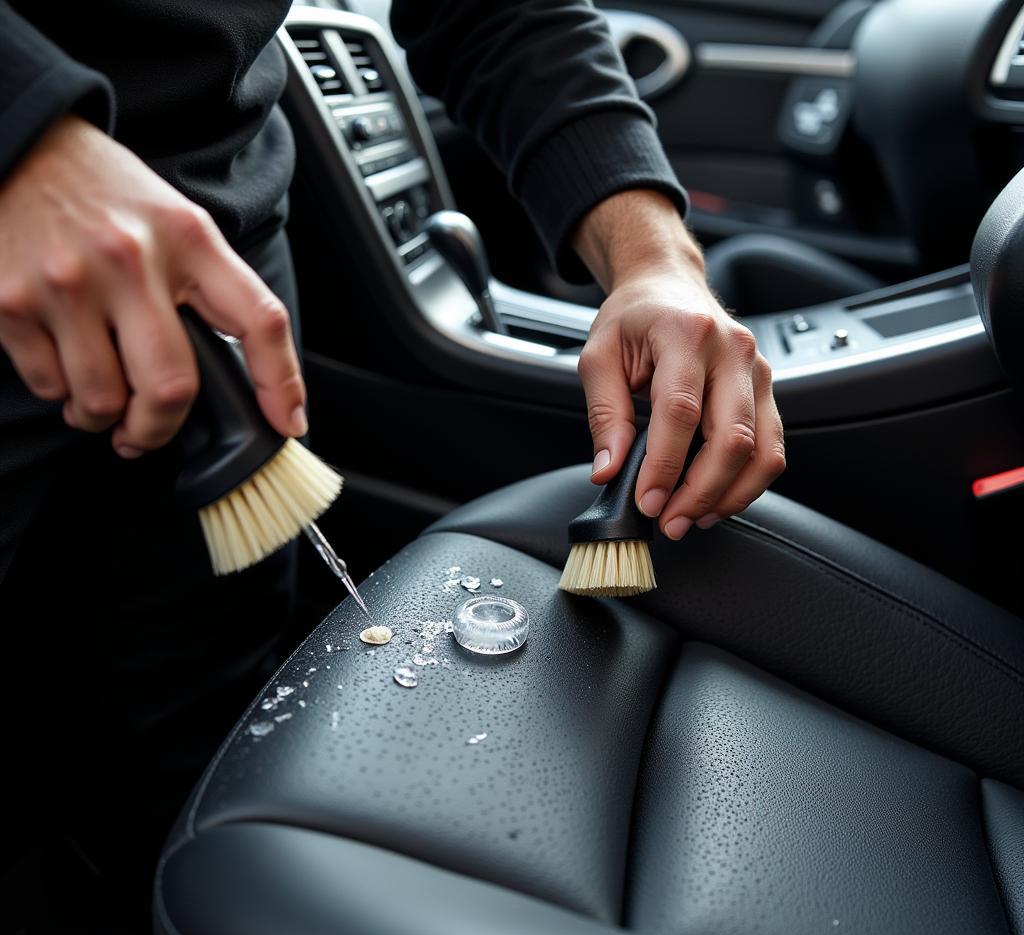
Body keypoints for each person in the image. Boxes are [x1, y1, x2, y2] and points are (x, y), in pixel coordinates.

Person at [0, 0, 784, 890]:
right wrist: (22, 134)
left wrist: (655, 260)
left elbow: (500, 15)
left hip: (226, 260)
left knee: (189, 713)